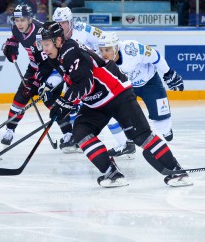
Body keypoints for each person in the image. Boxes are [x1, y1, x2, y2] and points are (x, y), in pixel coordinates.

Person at [37, 21, 192, 188]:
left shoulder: (70, 51)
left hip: (117, 93)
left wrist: (64, 103)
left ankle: (178, 172)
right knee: (82, 132)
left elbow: (84, 84)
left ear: (59, 41)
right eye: (42, 44)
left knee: (141, 136)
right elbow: (73, 81)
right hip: (95, 101)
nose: (44, 48)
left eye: (46, 44)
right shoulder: (56, 55)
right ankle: (113, 174)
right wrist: (61, 100)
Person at [52, 6, 135, 157]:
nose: (59, 26)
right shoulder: (56, 38)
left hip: (96, 77)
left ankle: (125, 142)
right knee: (72, 105)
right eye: (56, 22)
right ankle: (76, 138)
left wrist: (101, 60)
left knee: (103, 107)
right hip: (78, 77)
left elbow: (107, 40)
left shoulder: (84, 29)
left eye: (62, 22)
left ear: (70, 22)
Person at [1, 4, 75, 153]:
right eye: (16, 20)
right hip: (35, 67)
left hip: (52, 68)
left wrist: (37, 80)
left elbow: (49, 59)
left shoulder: (42, 32)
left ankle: (69, 134)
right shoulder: (16, 28)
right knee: (22, 95)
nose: (19, 23)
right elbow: (16, 36)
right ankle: (10, 130)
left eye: (22, 20)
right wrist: (12, 43)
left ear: (30, 19)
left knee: (52, 102)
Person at [98, 32, 184, 142]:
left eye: (107, 49)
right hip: (126, 88)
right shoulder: (99, 59)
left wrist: (168, 72)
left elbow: (155, 56)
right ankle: (126, 143)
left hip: (149, 82)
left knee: (163, 124)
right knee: (119, 115)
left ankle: (165, 128)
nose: (104, 54)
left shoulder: (132, 49)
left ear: (116, 47)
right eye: (101, 50)